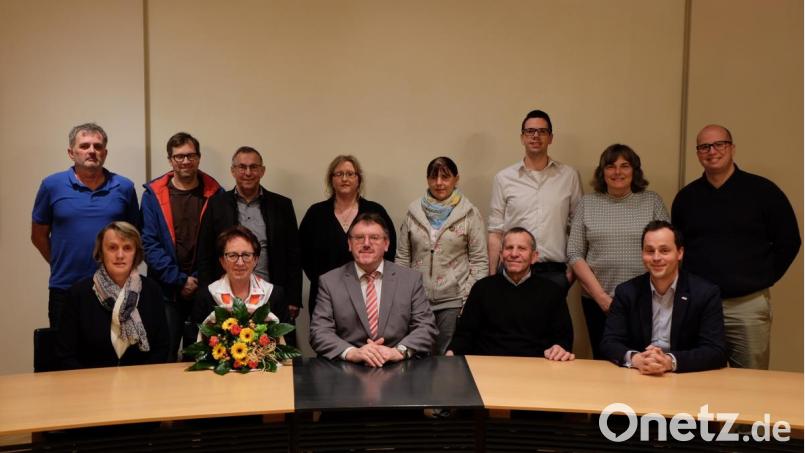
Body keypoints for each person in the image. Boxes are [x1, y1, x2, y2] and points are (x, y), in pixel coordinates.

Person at [671, 125, 801, 370]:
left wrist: (763, 277)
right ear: (698, 153)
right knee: (697, 378)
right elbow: (678, 249)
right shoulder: (687, 198)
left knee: (751, 381)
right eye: (704, 146)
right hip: (699, 304)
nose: (712, 151)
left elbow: (789, 241)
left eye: (719, 144)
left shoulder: (763, 191)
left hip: (747, 306)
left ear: (732, 147)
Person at [32, 123, 139, 327]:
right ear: (71, 152)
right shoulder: (51, 185)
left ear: (105, 153)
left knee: (113, 353)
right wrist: (58, 262)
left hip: (115, 287)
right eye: (84, 146)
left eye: (97, 147)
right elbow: (38, 235)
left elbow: (135, 236)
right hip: (65, 287)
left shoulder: (124, 187)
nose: (91, 151)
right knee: (64, 352)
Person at [567, 144, 669, 359]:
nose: (617, 172)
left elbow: (667, 248)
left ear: (635, 171)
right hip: (597, 301)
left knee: (646, 361)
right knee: (606, 362)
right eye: (611, 166)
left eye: (625, 166)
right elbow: (575, 253)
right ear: (602, 172)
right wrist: (602, 298)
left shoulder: (652, 201)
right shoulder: (587, 203)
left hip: (646, 301)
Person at [310, 212, 437, 367]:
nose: (366, 243)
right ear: (349, 244)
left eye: (374, 238)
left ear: (386, 244)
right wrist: (352, 352)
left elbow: (426, 327)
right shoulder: (330, 281)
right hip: (349, 369)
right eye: (359, 238)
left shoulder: (410, 280)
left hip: (399, 367)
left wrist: (397, 352)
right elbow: (319, 332)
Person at [196, 146, 302, 332]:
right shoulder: (216, 204)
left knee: (273, 348)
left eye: (253, 167)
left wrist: (293, 298)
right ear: (233, 170)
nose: (247, 172)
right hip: (225, 297)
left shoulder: (282, 205)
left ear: (262, 171)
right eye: (242, 167)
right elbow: (204, 252)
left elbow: (293, 253)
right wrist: (206, 294)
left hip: (270, 294)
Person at [600, 221, 727, 374]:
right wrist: (636, 359)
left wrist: (669, 361)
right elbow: (609, 342)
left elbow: (716, 351)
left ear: (680, 253)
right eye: (649, 251)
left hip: (685, 379)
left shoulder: (705, 293)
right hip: (638, 375)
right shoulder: (627, 292)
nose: (656, 257)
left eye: (664, 250)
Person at [141, 132, 223, 361]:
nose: (185, 161)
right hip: (166, 291)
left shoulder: (216, 194)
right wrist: (179, 280)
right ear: (170, 160)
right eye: (179, 156)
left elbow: (220, 242)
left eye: (190, 155)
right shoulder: (152, 196)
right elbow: (149, 243)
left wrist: (197, 279)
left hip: (205, 289)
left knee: (204, 356)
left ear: (199, 158)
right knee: (163, 356)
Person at [395, 157, 488, 354]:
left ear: (456, 179)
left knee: (449, 360)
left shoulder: (470, 213)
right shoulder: (413, 213)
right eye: (433, 177)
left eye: (445, 177)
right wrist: (403, 296)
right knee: (418, 358)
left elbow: (479, 261)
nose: (439, 183)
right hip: (418, 300)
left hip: (454, 300)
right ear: (427, 180)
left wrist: (468, 298)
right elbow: (402, 258)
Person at [488, 109, 582, 292]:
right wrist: (493, 276)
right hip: (512, 271)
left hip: (553, 273)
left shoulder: (569, 176)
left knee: (552, 322)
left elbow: (578, 227)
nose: (536, 136)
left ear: (551, 137)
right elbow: (495, 231)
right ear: (522, 137)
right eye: (530, 131)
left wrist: (572, 272)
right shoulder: (504, 178)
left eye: (542, 131)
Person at [447, 227, 574, 360]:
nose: (514, 254)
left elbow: (564, 338)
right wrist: (452, 352)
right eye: (509, 248)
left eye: (521, 248)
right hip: (488, 368)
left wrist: (560, 348)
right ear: (501, 255)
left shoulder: (552, 291)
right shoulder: (482, 288)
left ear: (534, 257)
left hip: (536, 368)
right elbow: (465, 335)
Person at [56, 222, 169, 369]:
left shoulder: (152, 291)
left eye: (127, 248)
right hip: (90, 385)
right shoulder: (79, 294)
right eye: (112, 248)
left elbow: (162, 348)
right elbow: (65, 355)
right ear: (101, 253)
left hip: (141, 385)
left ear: (136, 254)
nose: (120, 255)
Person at [299, 155, 396, 320]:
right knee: (326, 340)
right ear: (331, 179)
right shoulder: (316, 213)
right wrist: (324, 281)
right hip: (325, 294)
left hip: (369, 292)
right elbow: (302, 253)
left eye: (350, 174)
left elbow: (389, 250)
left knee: (368, 342)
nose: (345, 178)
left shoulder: (375, 210)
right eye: (339, 174)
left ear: (358, 179)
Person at [191, 226, 284, 326]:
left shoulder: (274, 295)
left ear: (255, 260)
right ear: (222, 261)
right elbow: (194, 338)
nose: (240, 263)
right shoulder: (205, 297)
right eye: (232, 255)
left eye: (246, 255)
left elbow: (287, 339)